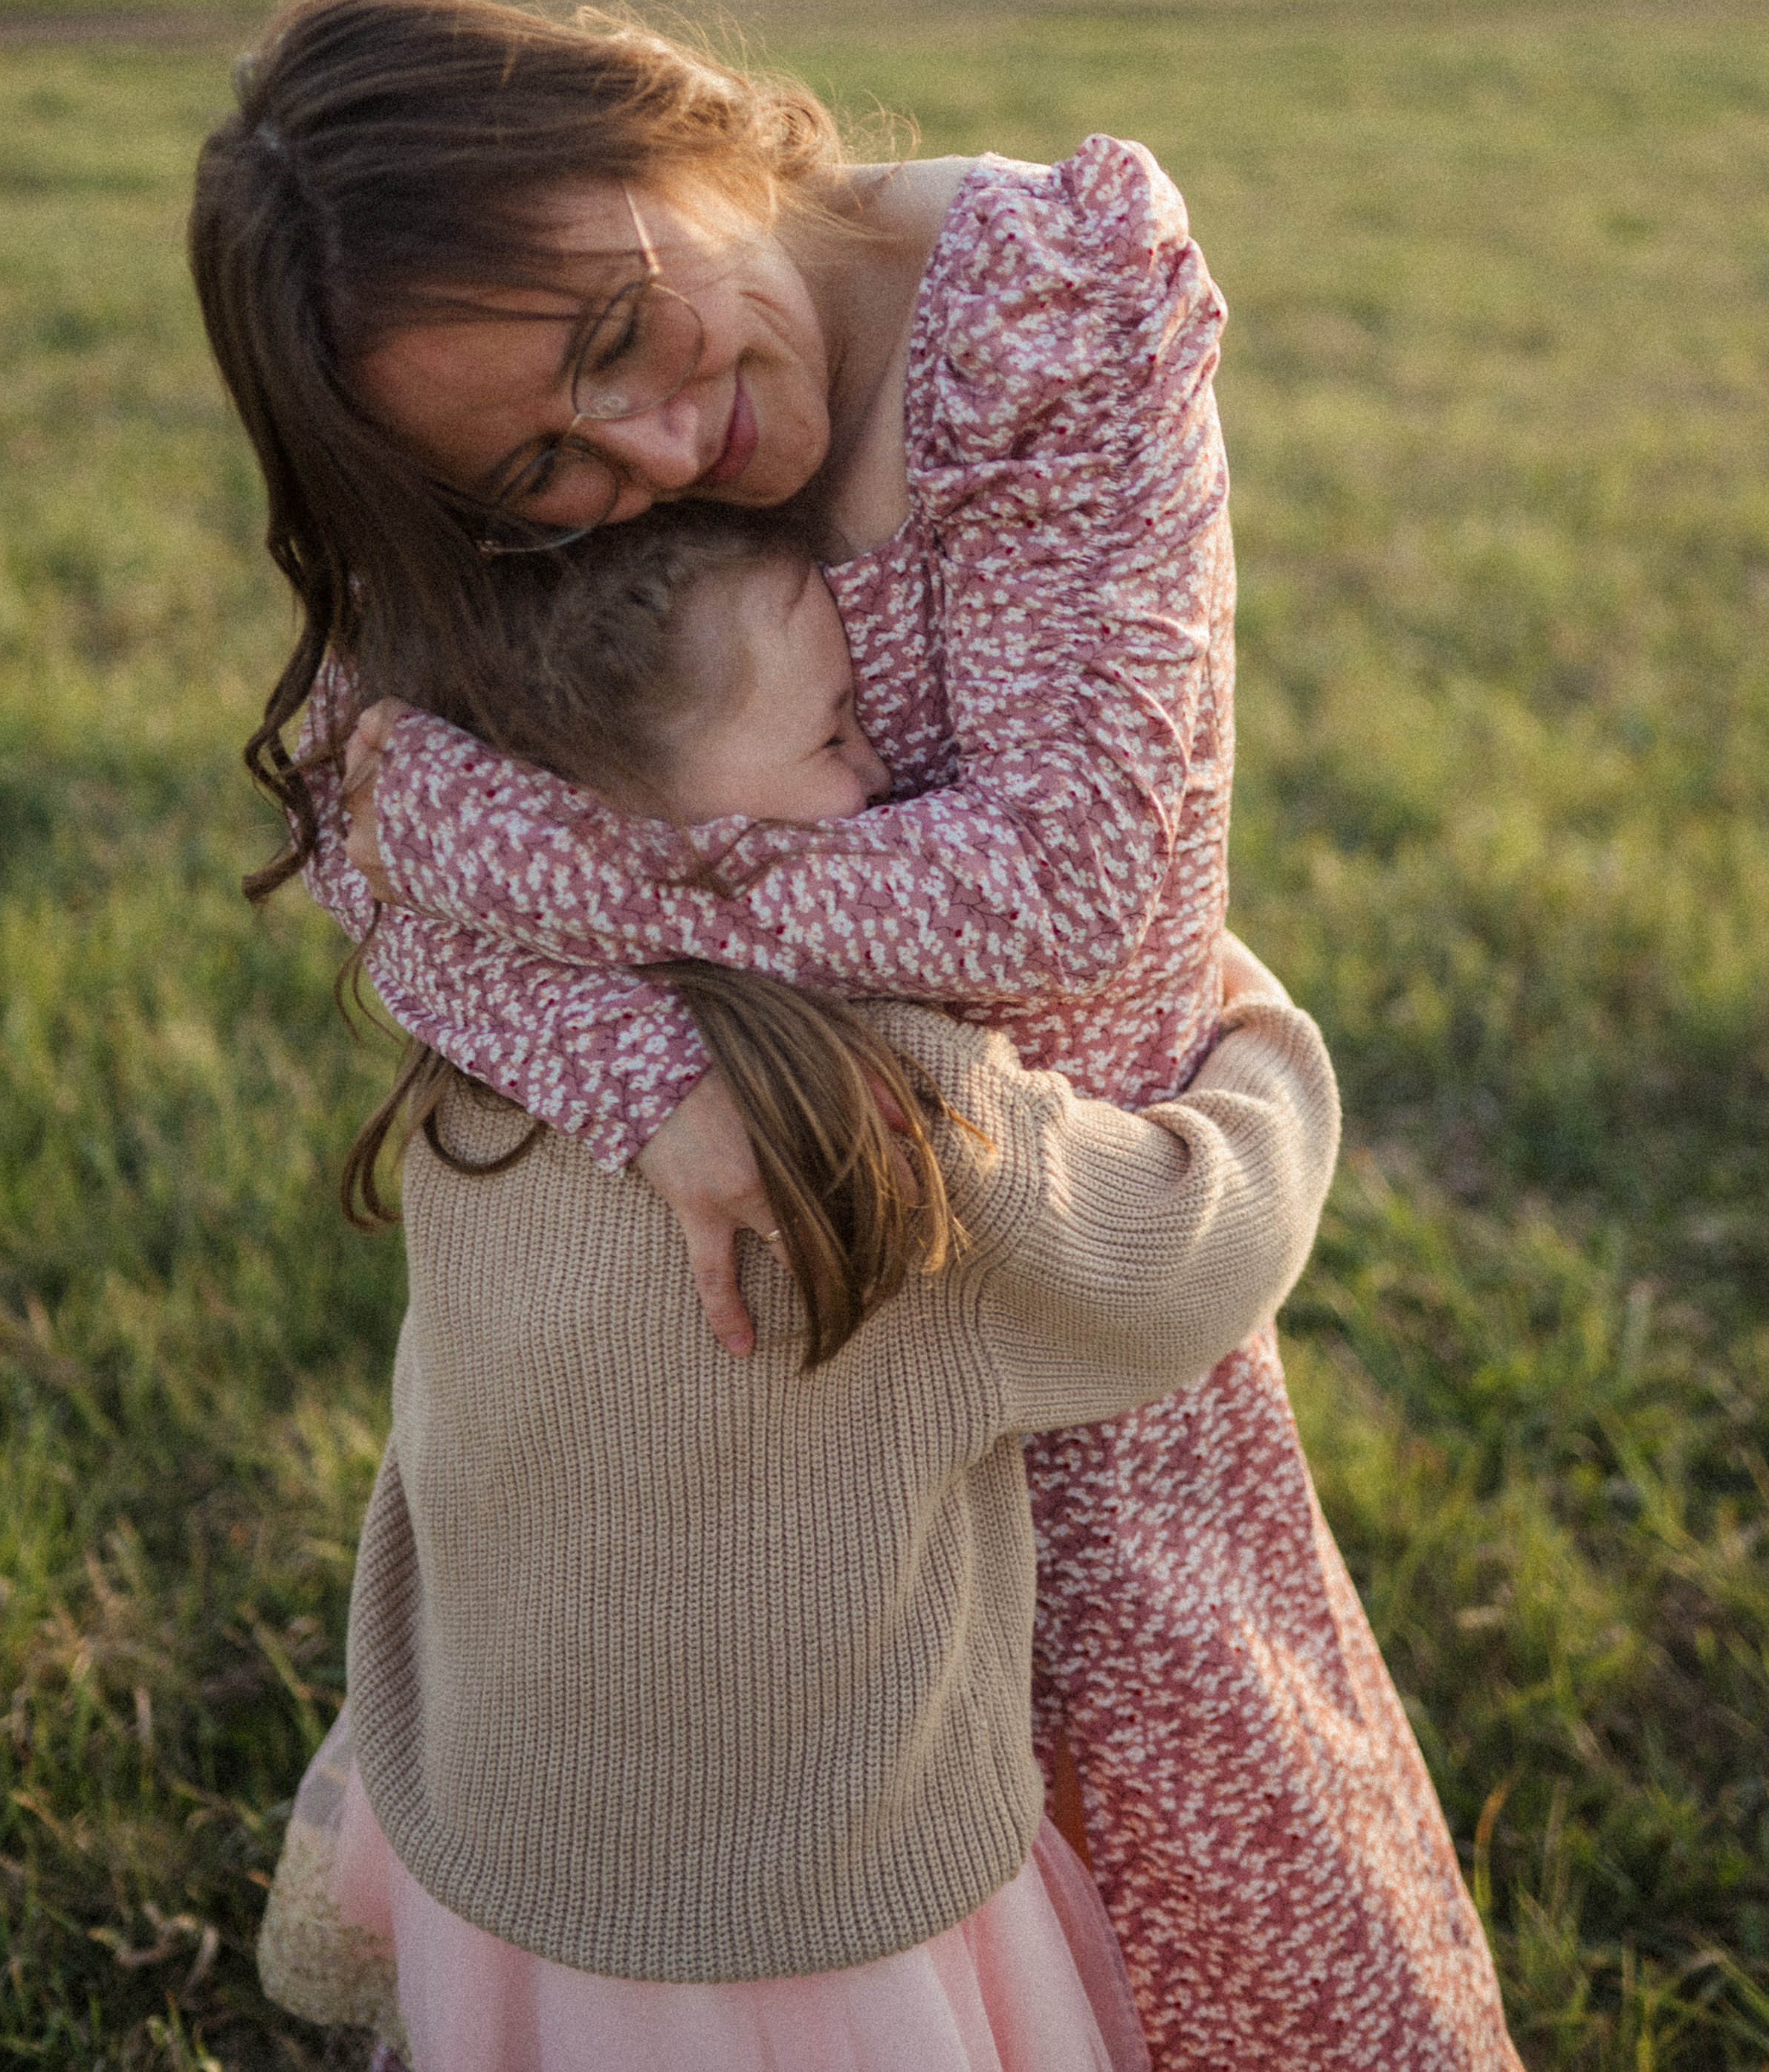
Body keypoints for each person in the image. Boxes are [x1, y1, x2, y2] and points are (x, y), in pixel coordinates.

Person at [193, 0, 1519, 2069]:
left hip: (1045, 1246)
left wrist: (626, 917)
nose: (643, 454)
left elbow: (1072, 878)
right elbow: (370, 834)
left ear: (679, 125)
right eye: (543, 467)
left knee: (1184, 1910)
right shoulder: (495, 471)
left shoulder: (1044, 300)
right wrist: (651, 1077)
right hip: (778, 1321)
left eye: (617, 335)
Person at [256, 506, 1345, 2072]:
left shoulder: (484, 1058)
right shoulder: (872, 1114)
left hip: (517, 1815)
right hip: (812, 1905)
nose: (879, 787)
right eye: (833, 738)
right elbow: (1187, 1253)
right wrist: (1259, 1041)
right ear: (627, 827)